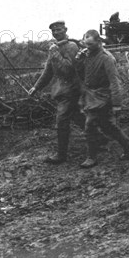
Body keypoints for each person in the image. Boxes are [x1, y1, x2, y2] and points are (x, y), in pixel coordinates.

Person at [75, 30, 129, 168]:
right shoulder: (87, 55)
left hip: (104, 95)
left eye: (91, 44)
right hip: (91, 94)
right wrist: (79, 60)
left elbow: (115, 82)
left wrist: (116, 103)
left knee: (89, 125)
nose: (88, 47)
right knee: (107, 125)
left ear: (99, 42)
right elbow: (81, 74)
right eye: (86, 44)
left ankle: (91, 157)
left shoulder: (106, 58)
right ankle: (128, 146)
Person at [29, 20, 83, 164]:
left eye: (59, 30)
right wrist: (36, 87)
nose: (56, 33)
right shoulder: (55, 47)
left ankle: (61, 155)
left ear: (65, 29)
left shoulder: (71, 46)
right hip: (63, 90)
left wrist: (54, 52)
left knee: (62, 121)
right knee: (78, 117)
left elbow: (68, 69)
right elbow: (48, 71)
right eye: (54, 31)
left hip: (71, 89)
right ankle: (99, 140)